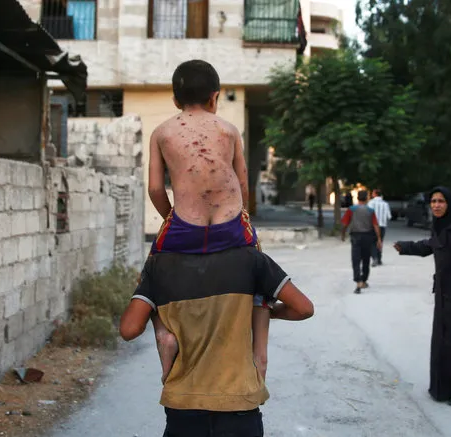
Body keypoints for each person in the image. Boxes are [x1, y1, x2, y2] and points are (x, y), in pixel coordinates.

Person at [145, 60, 272, 384]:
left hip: (184, 227)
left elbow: (156, 188)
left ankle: (164, 333)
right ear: (215, 97)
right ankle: (259, 353)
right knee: (259, 279)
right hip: (230, 229)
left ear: (175, 100)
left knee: (150, 279)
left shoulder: (161, 133)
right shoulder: (229, 131)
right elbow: (242, 186)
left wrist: (171, 220)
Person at [120, 247, 315, 436]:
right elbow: (304, 308)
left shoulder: (159, 264)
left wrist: (157, 315)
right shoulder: (252, 259)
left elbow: (129, 329)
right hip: (239, 403)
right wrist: (258, 311)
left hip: (183, 404)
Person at [394, 187, 451, 407]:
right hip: (444, 297)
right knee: (443, 343)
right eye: (433, 201)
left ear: (450, 204)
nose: (436, 205)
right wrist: (406, 247)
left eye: (441, 201)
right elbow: (430, 246)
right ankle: (445, 388)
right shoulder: (441, 227)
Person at [341, 190, 382, 294]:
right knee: (366, 260)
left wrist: (343, 234)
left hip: (355, 236)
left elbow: (345, 223)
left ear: (357, 198)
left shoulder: (351, 209)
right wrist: (379, 239)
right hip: (367, 237)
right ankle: (364, 280)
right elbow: (375, 225)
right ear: (367, 198)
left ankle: (358, 280)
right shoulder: (370, 210)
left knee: (356, 259)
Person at [368, 189, 392, 266]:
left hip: (373, 225)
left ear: (375, 194)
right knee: (380, 241)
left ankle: (375, 258)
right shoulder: (385, 204)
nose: (372, 194)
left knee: (372, 242)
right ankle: (379, 259)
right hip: (382, 225)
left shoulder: (371, 203)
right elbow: (389, 216)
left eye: (372, 193)